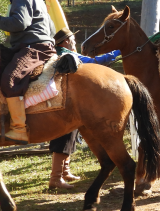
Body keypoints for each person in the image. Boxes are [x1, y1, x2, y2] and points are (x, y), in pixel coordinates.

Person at [46, 27, 121, 190]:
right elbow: (94, 63)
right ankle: (56, 178)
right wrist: (116, 53)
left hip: (61, 100)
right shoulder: (67, 54)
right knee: (64, 137)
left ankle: (64, 172)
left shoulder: (58, 53)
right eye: (72, 39)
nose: (74, 41)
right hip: (65, 102)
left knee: (70, 134)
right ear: (65, 42)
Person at [0, 0, 56, 144]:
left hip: (34, 48)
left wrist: (0, 21)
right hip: (39, 45)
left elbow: (20, 23)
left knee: (10, 79)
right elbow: (51, 29)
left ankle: (19, 129)